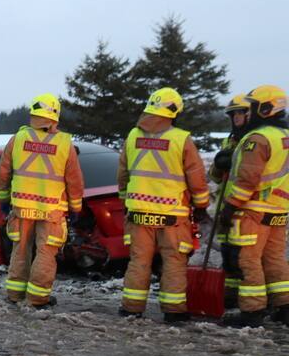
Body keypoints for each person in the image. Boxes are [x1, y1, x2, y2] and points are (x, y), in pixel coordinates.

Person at [117, 88, 210, 322]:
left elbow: (123, 173)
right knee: (174, 262)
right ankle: (174, 311)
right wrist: (201, 205)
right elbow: (196, 177)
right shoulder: (181, 139)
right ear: (174, 112)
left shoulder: (132, 136)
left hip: (138, 212)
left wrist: (126, 200)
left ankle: (131, 308)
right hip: (172, 214)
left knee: (139, 261)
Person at [0, 93, 84, 308]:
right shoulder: (64, 143)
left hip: (21, 207)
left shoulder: (18, 139)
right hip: (51, 209)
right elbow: (74, 180)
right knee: (46, 252)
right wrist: (76, 208)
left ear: (34, 114)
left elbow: (3, 173)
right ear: (55, 116)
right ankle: (37, 298)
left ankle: (15, 294)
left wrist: (4, 199)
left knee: (20, 249)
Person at [218, 85, 289, 328]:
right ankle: (284, 307)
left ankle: (252, 311)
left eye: (253, 107)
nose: (248, 113)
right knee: (275, 260)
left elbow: (247, 179)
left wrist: (230, 207)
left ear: (266, 108)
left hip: (253, 210)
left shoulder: (257, 139)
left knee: (247, 261)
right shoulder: (284, 136)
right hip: (278, 210)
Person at [209, 94, 253, 307]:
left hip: (247, 207)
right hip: (227, 207)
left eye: (240, 113)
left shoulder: (256, 140)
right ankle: (231, 295)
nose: (236, 117)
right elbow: (215, 177)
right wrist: (219, 165)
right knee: (228, 253)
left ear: (250, 115)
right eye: (233, 114)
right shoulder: (229, 141)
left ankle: (253, 300)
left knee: (244, 257)